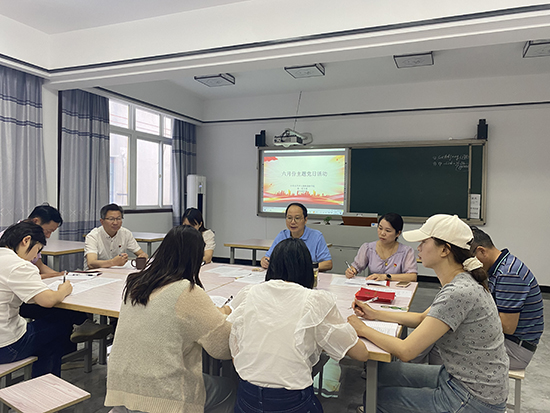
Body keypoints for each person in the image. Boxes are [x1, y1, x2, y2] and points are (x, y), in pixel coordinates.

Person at [348, 214, 509, 413]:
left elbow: (406, 351)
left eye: (424, 242)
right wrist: (375, 314)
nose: (419, 248)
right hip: (461, 379)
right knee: (382, 373)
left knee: (375, 398)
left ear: (445, 250)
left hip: (473, 398)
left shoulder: (458, 292)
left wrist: (362, 329)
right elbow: (422, 318)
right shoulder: (461, 281)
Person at [227, 238, 369, 413]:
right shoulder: (315, 300)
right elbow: (361, 354)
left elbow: (235, 349)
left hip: (246, 396)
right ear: (307, 269)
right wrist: (363, 329)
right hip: (291, 400)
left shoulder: (249, 293)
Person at [105, 225, 235, 413]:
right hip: (162, 396)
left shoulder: (135, 283)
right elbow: (222, 347)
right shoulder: (187, 291)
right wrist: (226, 314)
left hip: (122, 387)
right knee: (232, 390)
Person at [0, 222, 78, 377]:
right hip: (6, 346)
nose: (35, 257)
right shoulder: (19, 265)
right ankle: (45, 386)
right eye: (37, 250)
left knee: (46, 330)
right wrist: (63, 290)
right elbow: (48, 300)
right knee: (60, 325)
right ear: (26, 240)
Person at [470, 226, 544, 369]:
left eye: (467, 259)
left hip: (516, 349)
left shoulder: (509, 274)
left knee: (446, 347)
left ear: (481, 251)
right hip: (510, 341)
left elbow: (507, 327)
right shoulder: (501, 267)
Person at [345, 212, 417, 282]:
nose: (382, 233)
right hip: (373, 286)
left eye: (388, 231)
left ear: (398, 233)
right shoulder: (368, 248)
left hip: (395, 288)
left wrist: (386, 277)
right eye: (380, 228)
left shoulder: (406, 251)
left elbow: (412, 277)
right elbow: (356, 267)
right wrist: (351, 271)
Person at [261, 203, 333, 272]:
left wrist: (304, 269)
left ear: (305, 220)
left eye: (297, 218)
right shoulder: (282, 235)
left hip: (307, 276)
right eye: (289, 218)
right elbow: (267, 257)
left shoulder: (316, 236)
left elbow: (328, 264)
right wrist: (264, 261)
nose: (292, 222)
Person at [0, 204, 65, 278]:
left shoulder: (34, 238)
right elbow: (20, 276)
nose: (48, 236)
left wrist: (60, 275)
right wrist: (55, 275)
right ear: (35, 221)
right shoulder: (9, 236)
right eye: (48, 231)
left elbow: (39, 266)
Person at [85, 203, 147, 269]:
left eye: (118, 219)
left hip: (118, 272)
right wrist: (113, 262)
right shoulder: (93, 236)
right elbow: (91, 263)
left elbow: (141, 253)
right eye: (111, 219)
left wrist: (143, 256)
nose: (115, 223)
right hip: (95, 273)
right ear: (102, 221)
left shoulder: (126, 233)